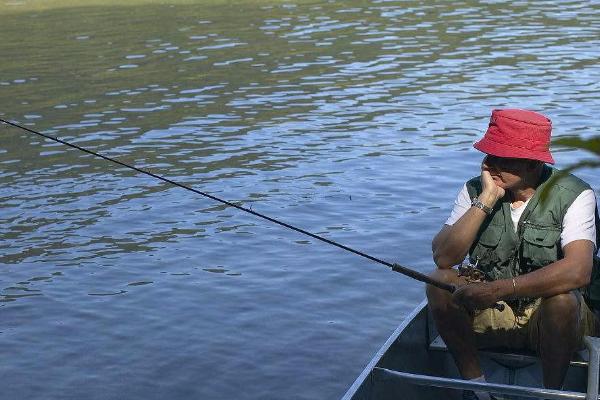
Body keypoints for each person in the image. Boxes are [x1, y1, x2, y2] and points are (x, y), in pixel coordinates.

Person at [426, 108, 600, 400]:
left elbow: (578, 270)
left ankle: (551, 394)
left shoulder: (575, 194)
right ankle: (480, 389)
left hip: (551, 319)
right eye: (489, 155)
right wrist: (485, 199)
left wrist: (498, 289)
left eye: (502, 158)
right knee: (438, 281)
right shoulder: (475, 190)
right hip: (491, 312)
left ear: (532, 164)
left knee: (562, 300)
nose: (490, 164)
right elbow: (443, 257)